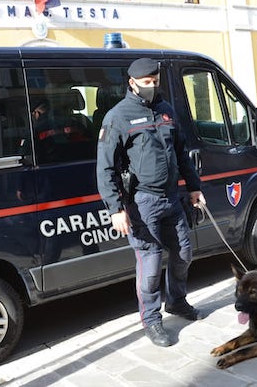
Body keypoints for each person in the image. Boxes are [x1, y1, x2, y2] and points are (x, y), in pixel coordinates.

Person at [96, 58, 206, 347]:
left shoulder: (165, 110)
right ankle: (152, 321)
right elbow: (105, 167)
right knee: (151, 264)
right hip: (141, 201)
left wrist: (194, 187)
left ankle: (177, 302)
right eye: (147, 83)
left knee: (183, 253)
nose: (152, 87)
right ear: (132, 83)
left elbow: (181, 152)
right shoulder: (117, 117)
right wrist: (115, 208)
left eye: (155, 81)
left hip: (172, 197)